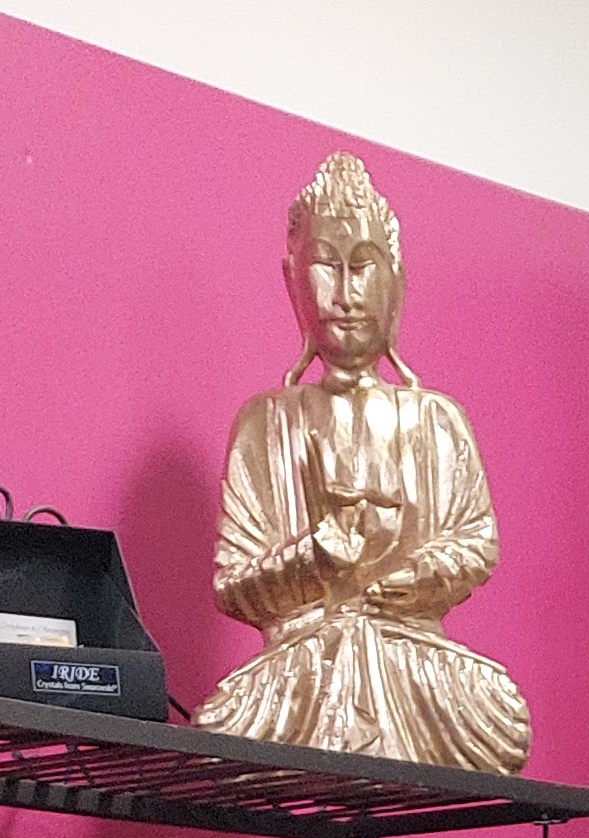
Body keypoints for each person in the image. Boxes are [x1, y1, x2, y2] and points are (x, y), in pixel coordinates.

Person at [202, 155, 530, 775]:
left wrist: (410, 578)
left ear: (395, 280)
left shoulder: (436, 420)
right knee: (224, 726)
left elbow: (475, 544)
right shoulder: (265, 422)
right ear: (292, 282)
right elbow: (234, 585)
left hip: (414, 658)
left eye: (362, 268)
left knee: (503, 716)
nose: (345, 295)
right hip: (300, 666)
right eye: (326, 268)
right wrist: (315, 558)